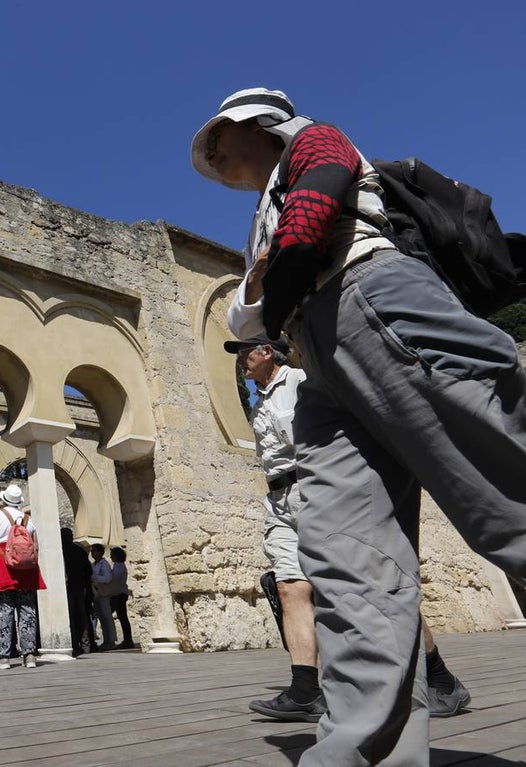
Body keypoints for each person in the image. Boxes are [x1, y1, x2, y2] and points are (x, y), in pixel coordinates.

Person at [192, 88, 526, 765]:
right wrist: (268, 283)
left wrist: (272, 278)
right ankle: (363, 752)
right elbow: (244, 315)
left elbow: (303, 232)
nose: (212, 154)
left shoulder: (312, 140)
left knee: (507, 495)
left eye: (219, 137)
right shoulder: (263, 212)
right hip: (321, 359)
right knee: (349, 562)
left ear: (260, 126)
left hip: (374, 301)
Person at [227, 335, 469, 723]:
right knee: (290, 587)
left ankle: (441, 680)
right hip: (280, 501)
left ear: (266, 351)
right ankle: (305, 691)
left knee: (377, 583)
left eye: (244, 353)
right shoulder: (260, 401)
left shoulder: (302, 383)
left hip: (319, 490)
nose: (240, 361)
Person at [0, 485, 45, 669]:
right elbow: (36, 546)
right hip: (26, 570)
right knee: (28, 611)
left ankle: (3, 658)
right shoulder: (28, 520)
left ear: (4, 499)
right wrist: (28, 564)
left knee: (3, 611)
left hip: (3, 566)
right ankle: (29, 656)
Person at [60, 527, 94, 656]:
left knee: (71, 617)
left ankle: (74, 645)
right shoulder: (79, 551)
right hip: (80, 587)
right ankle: (86, 645)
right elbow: (88, 570)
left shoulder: (60, 551)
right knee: (82, 616)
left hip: (68, 588)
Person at [89, 543, 116, 650]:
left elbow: (108, 578)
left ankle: (111, 640)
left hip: (104, 593)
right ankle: (106, 640)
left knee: (107, 616)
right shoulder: (94, 564)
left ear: (100, 552)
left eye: (94, 551)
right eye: (91, 551)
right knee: (101, 618)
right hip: (97, 594)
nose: (92, 553)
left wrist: (95, 578)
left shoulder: (104, 564)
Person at [108, 547, 133, 650]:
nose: (110, 557)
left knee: (122, 617)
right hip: (120, 593)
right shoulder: (118, 566)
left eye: (112, 555)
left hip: (119, 594)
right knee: (122, 617)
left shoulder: (119, 566)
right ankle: (127, 640)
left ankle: (127, 640)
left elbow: (115, 580)